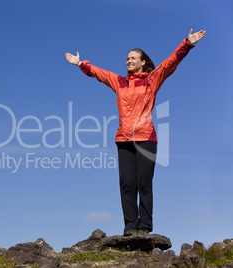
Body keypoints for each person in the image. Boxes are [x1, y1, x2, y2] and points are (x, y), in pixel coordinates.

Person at [65, 29, 206, 236]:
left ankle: (145, 225)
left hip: (146, 138)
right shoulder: (119, 82)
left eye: (133, 58)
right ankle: (130, 226)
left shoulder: (151, 80)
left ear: (142, 62)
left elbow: (170, 63)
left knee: (143, 182)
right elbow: (100, 74)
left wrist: (187, 43)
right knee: (127, 183)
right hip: (123, 139)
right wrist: (80, 64)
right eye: (127, 58)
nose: (129, 61)